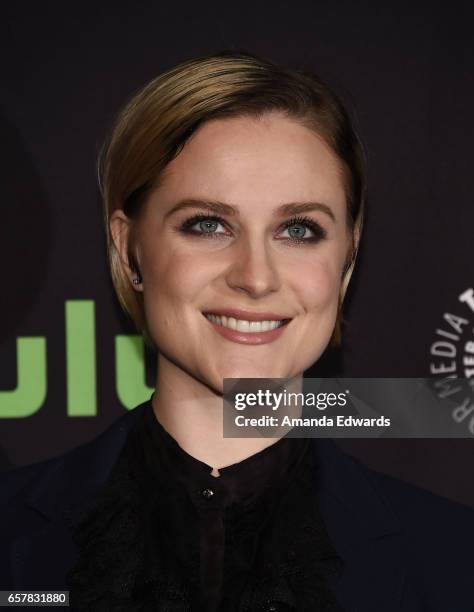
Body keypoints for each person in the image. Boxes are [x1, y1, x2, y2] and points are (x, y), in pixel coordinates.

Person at [1, 50, 473, 612]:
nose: (254, 277)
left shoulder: (454, 559)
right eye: (207, 224)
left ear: (348, 255)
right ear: (129, 249)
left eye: (299, 230)